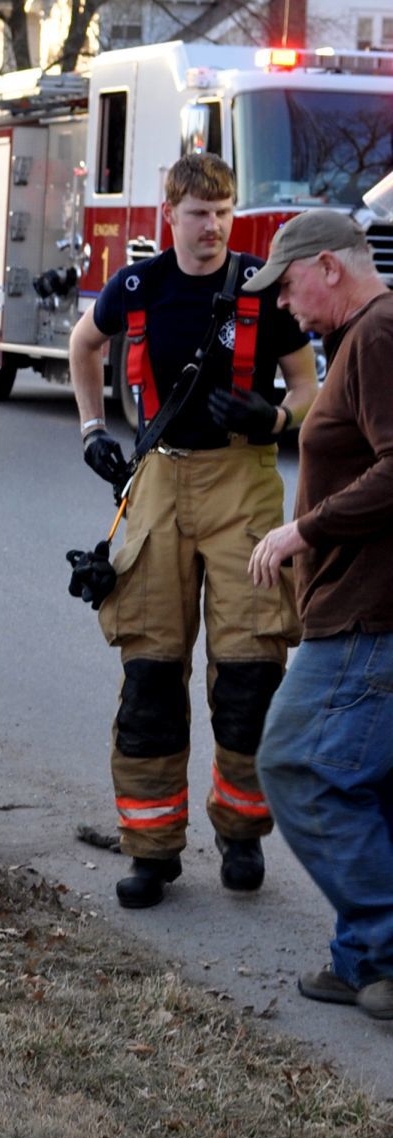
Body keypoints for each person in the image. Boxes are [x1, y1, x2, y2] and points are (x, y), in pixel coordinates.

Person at [66, 153, 317, 909]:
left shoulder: (260, 291)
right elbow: (85, 345)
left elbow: (310, 384)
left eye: (223, 211)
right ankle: (151, 851)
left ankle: (241, 833)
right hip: (156, 482)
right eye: (197, 212)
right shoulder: (138, 287)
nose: (211, 227)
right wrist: (89, 431)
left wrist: (274, 417)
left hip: (241, 487)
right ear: (167, 214)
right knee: (150, 678)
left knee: (249, 677)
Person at [246, 210, 393, 1020]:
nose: (285, 307)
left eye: (290, 285)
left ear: (328, 267)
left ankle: (382, 939)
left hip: (368, 614)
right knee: (371, 785)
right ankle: (364, 959)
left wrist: (304, 528)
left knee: (296, 767)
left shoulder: (376, 334)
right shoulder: (368, 332)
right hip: (364, 605)